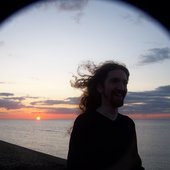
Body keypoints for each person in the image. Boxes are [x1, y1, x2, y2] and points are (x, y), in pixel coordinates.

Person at [67, 61, 145, 170]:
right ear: (100, 87)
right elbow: (74, 166)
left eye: (124, 83)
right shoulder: (85, 122)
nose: (121, 88)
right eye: (115, 81)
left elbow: (135, 164)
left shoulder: (128, 124)